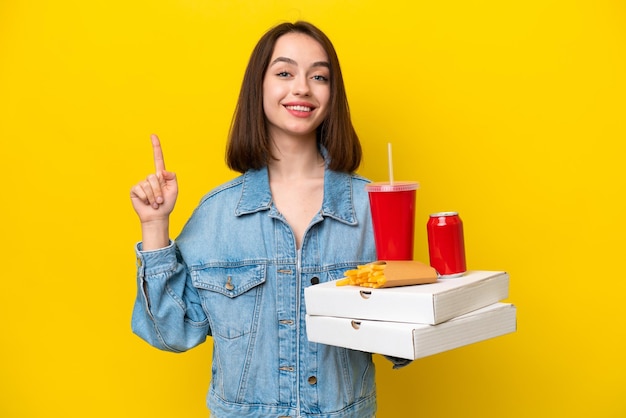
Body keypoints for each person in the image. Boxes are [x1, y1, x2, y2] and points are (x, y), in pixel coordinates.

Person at [130, 21, 402, 418]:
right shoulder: (216, 214)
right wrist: (154, 226)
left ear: (332, 93)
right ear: (258, 87)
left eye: (319, 76)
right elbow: (171, 334)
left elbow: (402, 341)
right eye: (285, 72)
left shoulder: (369, 206)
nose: (302, 88)